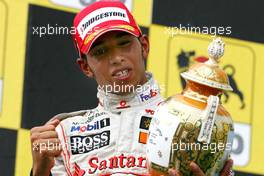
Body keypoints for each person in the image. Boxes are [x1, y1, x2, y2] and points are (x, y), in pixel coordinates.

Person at [30, 1, 234, 175]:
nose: (116, 58)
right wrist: (40, 171)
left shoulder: (189, 121)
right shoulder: (64, 133)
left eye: (124, 43)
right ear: (85, 67)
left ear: (144, 46)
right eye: (100, 51)